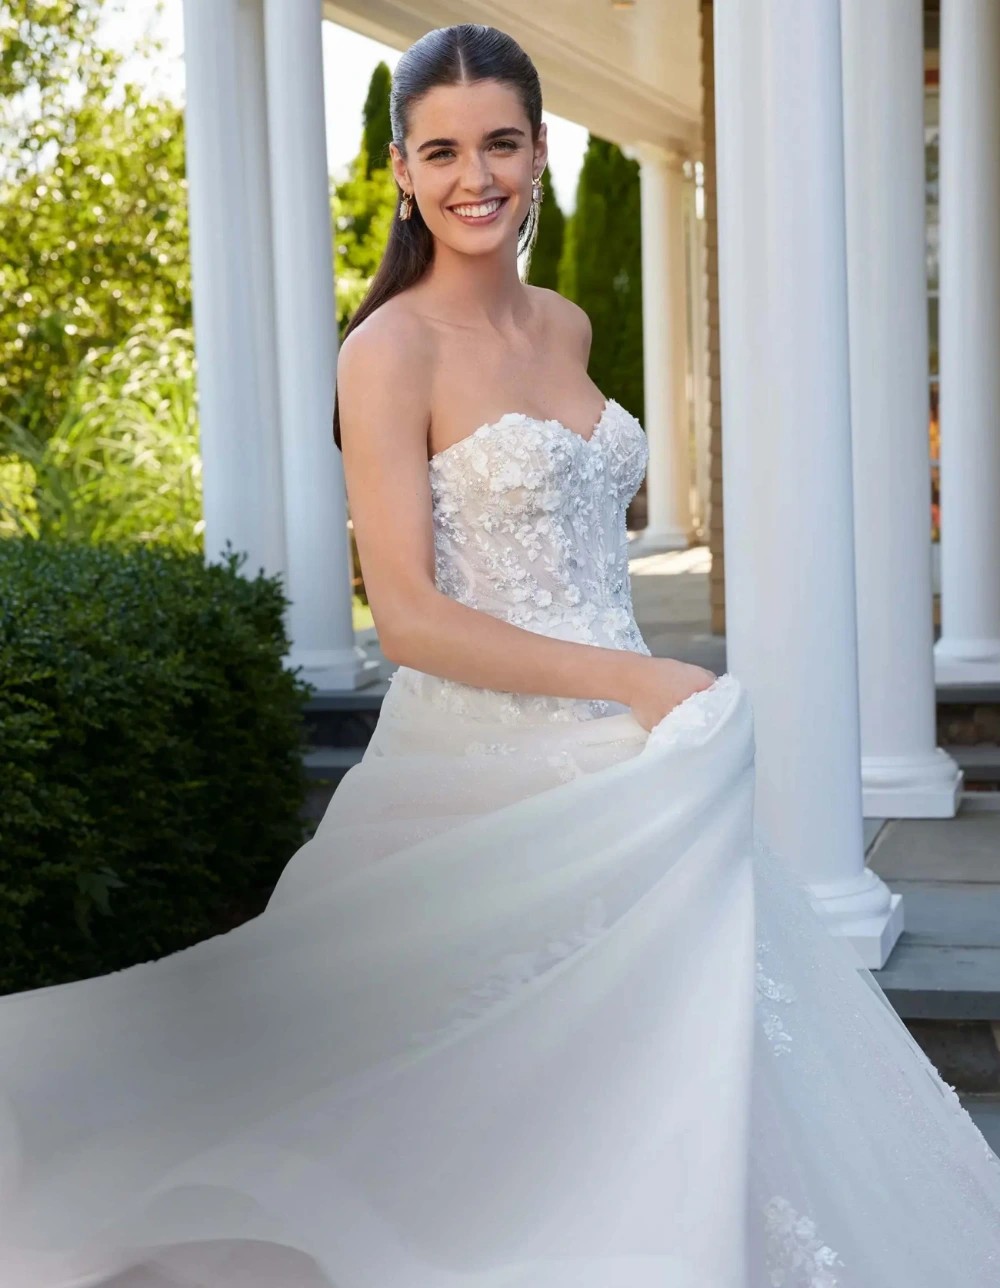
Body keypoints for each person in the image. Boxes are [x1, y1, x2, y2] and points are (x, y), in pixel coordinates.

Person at [1, 21, 999, 1288]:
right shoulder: (387, 351)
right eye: (442, 150)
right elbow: (409, 617)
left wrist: (635, 680)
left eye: (502, 143)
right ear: (403, 170)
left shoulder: (570, 325)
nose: (476, 176)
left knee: (678, 1057)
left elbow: (581, 533)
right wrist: (634, 678)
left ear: (537, 148)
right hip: (486, 765)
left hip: (641, 761)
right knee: (472, 1090)